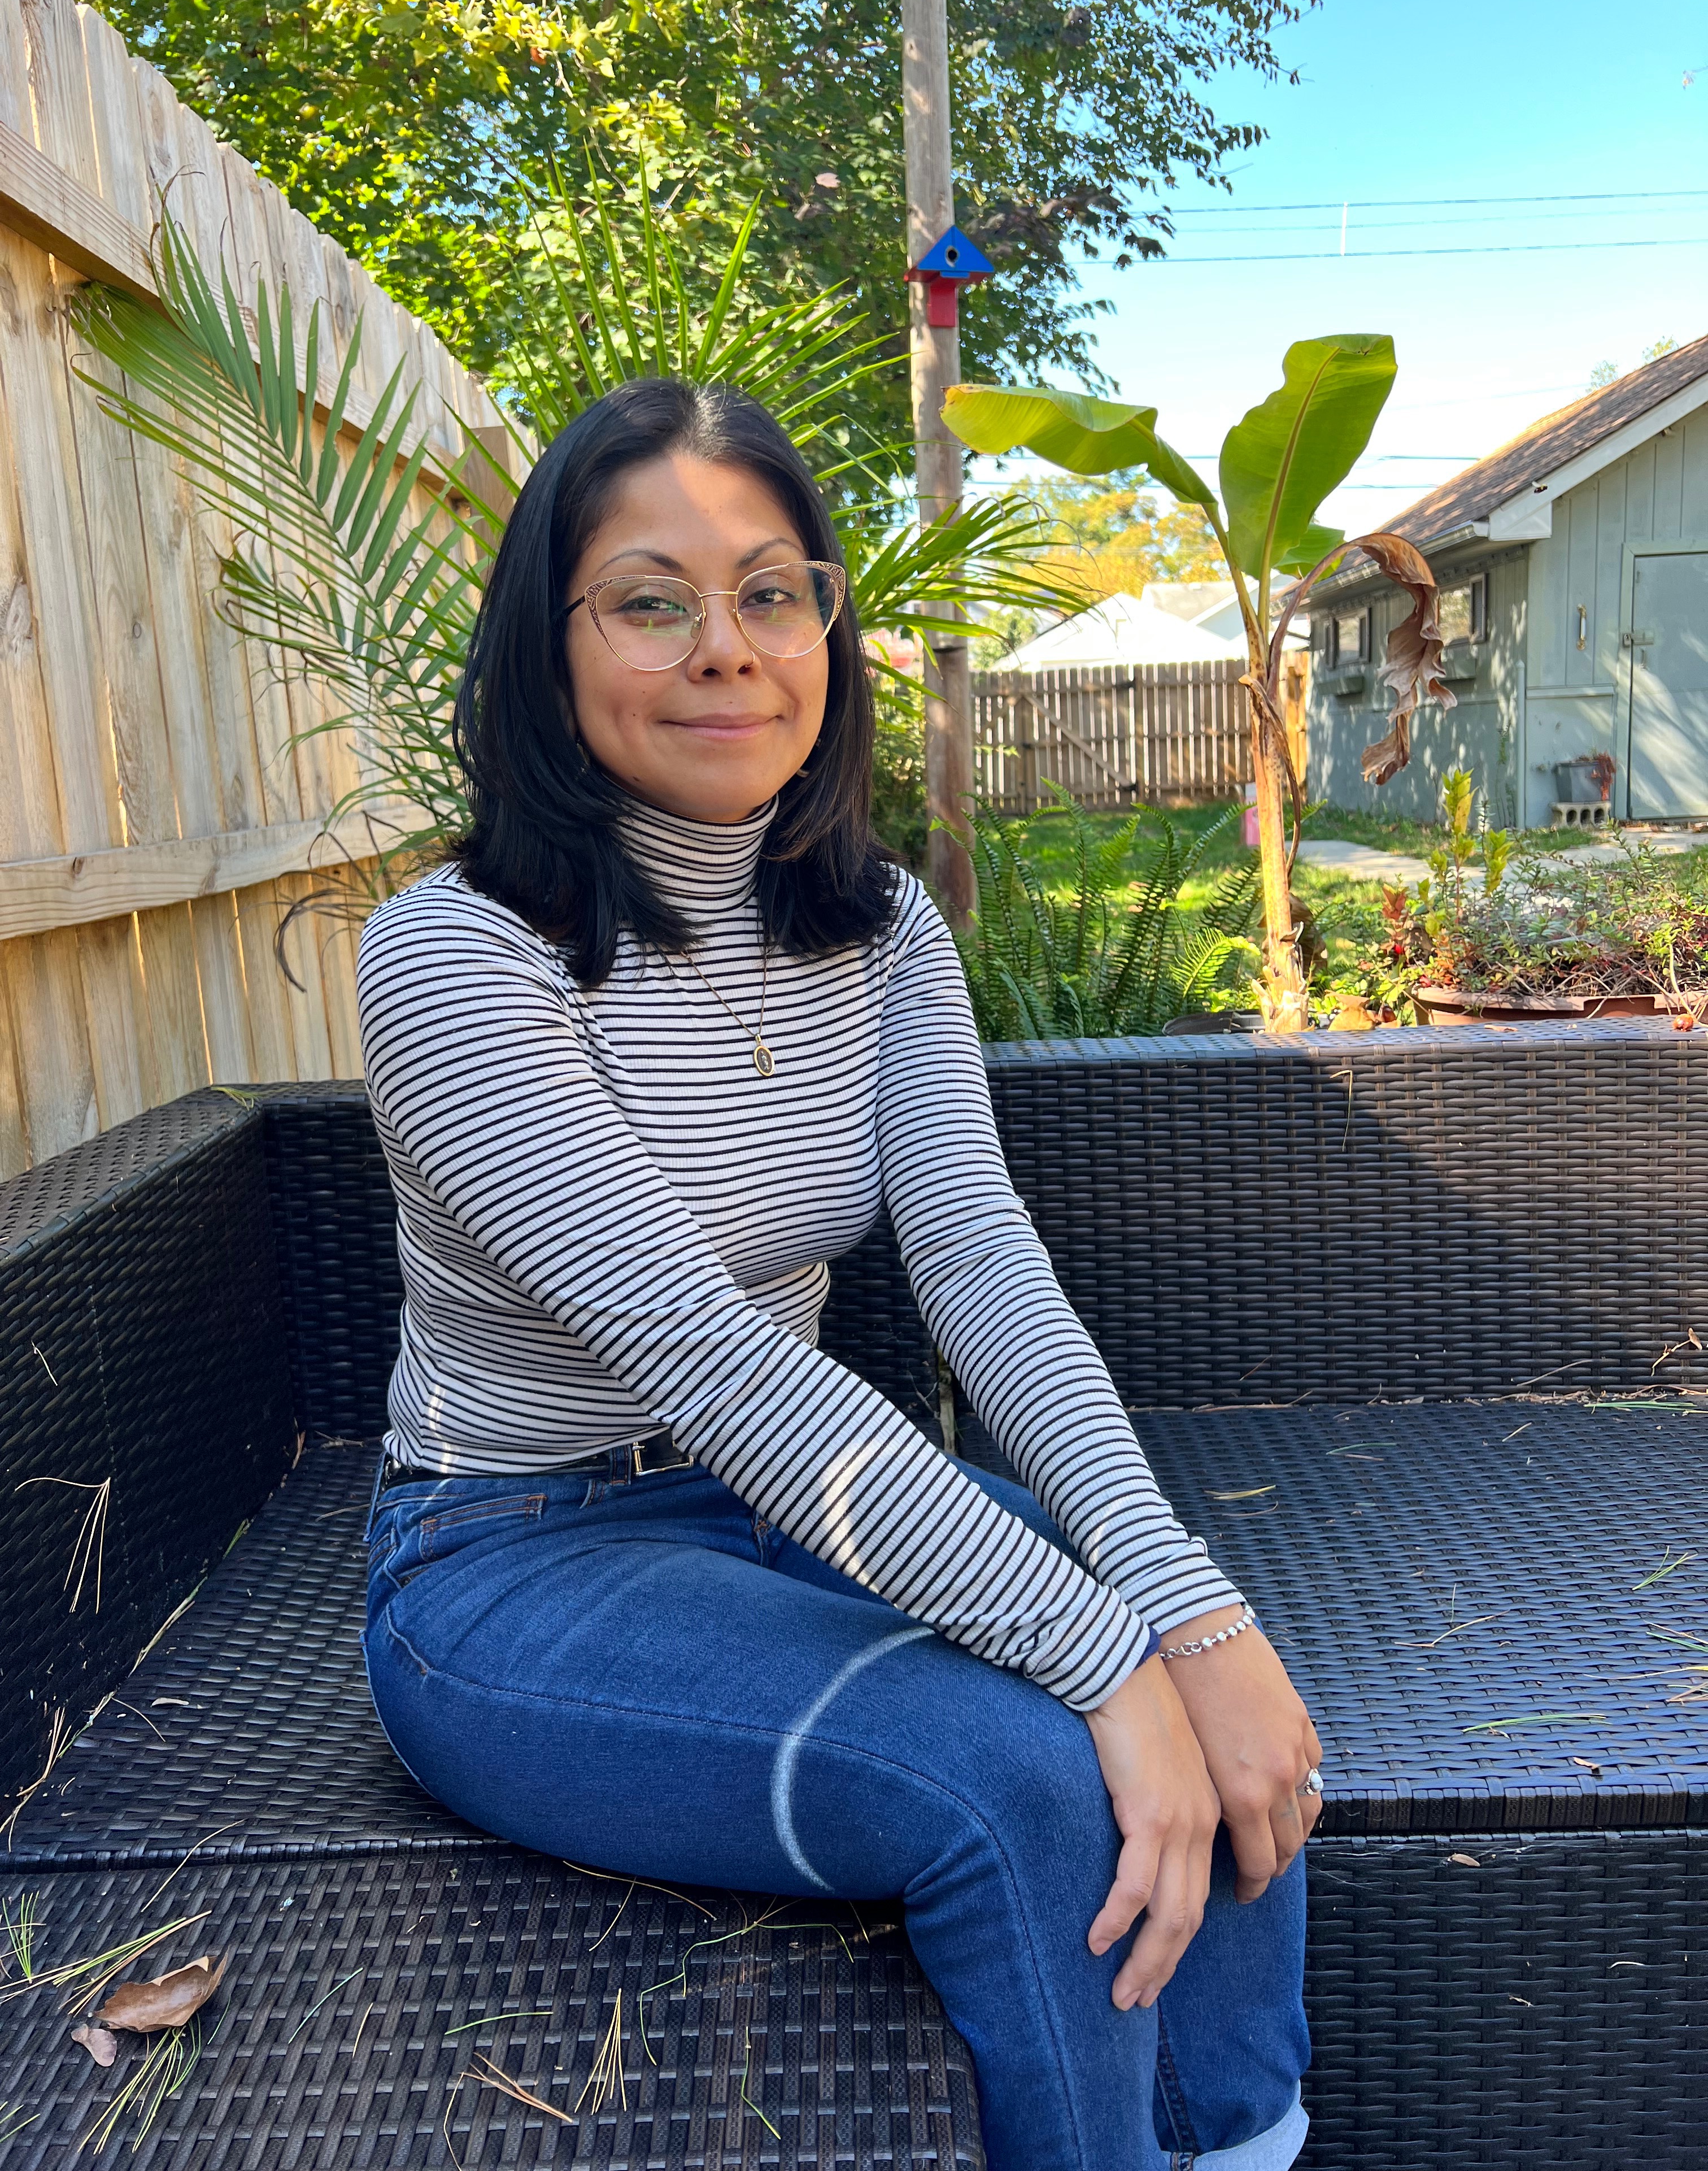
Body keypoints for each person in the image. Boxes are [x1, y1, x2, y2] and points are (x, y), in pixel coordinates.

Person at [356, 376, 1323, 2171]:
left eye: (770, 592)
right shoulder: (455, 957)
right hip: (510, 1562)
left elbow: (978, 1256)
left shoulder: (880, 929)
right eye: (650, 600)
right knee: (1032, 1782)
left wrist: (1185, 1616)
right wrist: (1106, 1665)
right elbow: (706, 1356)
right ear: (549, 649)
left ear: (825, 629)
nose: (725, 646)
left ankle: (1243, 2142)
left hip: (786, 1515)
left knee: (1218, 1686)